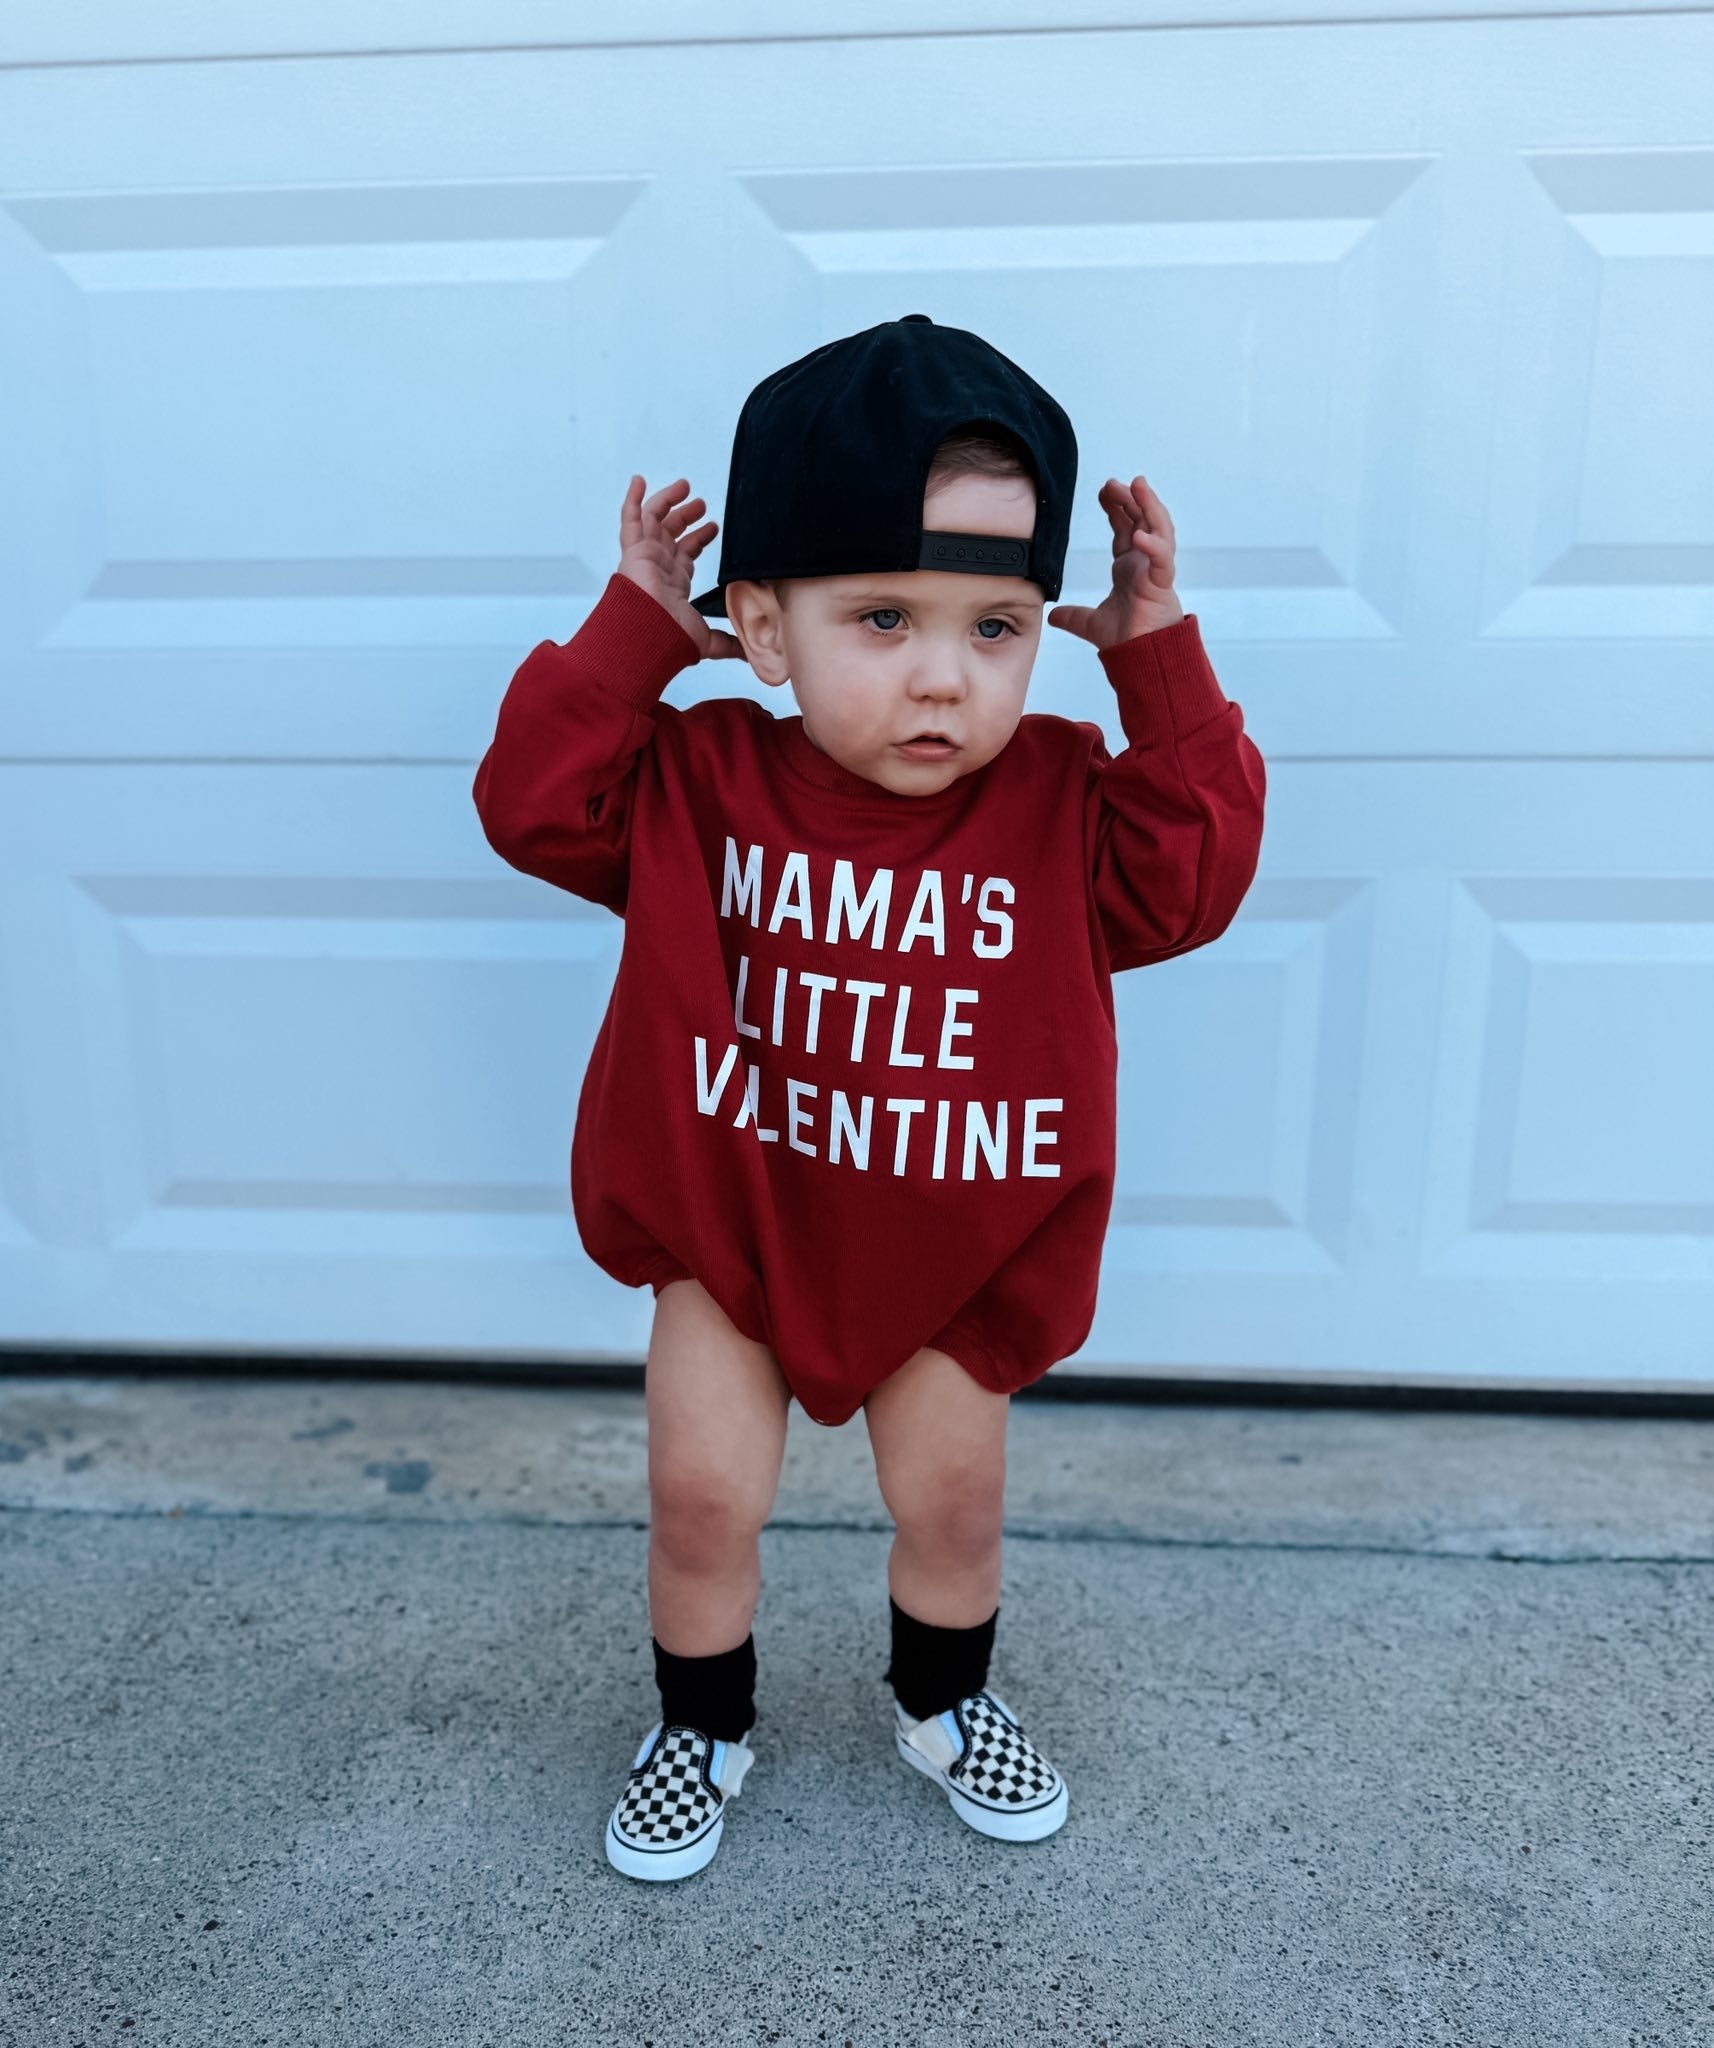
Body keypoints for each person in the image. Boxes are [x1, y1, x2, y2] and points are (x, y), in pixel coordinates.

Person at [471, 314, 1267, 1882]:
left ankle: (942, 1704)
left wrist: (1157, 659)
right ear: (764, 630)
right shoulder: (696, 783)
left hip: (953, 1252)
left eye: (997, 627)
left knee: (953, 1508)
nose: (942, 677)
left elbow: (1195, 880)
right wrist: (632, 639)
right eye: (883, 617)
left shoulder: (1060, 804)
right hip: (734, 1226)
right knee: (701, 1498)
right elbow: (529, 804)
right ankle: (699, 1725)